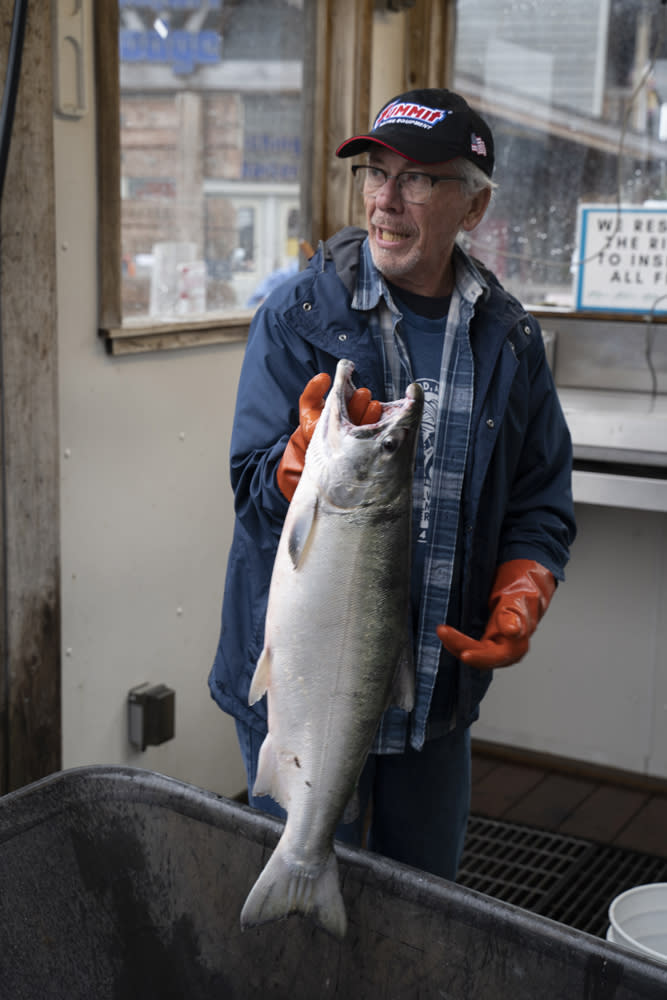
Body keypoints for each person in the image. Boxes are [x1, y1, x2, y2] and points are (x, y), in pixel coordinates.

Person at [209, 89, 576, 881]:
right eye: (375, 173)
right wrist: (296, 460)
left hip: (432, 703)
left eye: (416, 180)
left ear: (471, 207)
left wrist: (522, 591)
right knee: (297, 941)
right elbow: (249, 492)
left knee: (425, 918)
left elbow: (539, 501)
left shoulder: (510, 340)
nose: (384, 199)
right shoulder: (298, 313)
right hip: (299, 693)